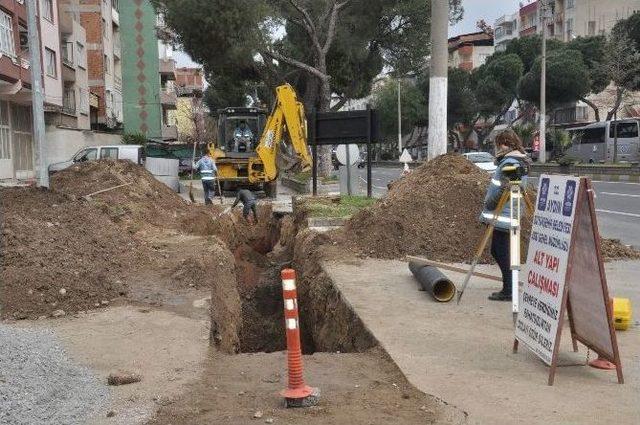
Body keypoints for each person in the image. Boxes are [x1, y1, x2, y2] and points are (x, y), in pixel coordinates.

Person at [479, 130, 530, 302]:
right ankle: (509, 287)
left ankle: (509, 289)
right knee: (501, 251)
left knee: (500, 252)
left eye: (496, 144)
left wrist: (491, 204)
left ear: (502, 144)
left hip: (504, 214)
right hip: (507, 213)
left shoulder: (510, 162)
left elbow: (504, 189)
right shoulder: (517, 159)